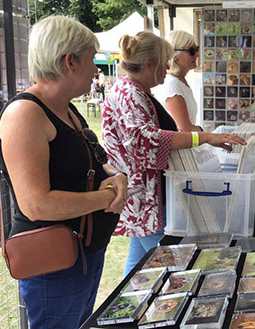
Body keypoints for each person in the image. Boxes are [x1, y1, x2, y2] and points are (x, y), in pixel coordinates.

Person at [0, 15, 128, 328]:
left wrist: (115, 176)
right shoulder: (25, 115)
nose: (97, 69)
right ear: (70, 61)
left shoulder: (65, 108)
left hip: (83, 253)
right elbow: (36, 204)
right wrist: (106, 197)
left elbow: (92, 162)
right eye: (92, 59)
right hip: (54, 263)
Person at [102, 31, 246, 276]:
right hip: (144, 196)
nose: (167, 67)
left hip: (144, 197)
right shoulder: (130, 94)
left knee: (138, 260)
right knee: (169, 267)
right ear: (148, 65)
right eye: (163, 62)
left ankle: (131, 304)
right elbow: (146, 141)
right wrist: (206, 137)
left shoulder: (135, 91)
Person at [152, 30, 202, 132]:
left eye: (197, 49)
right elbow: (185, 129)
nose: (197, 55)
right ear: (175, 56)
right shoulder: (172, 84)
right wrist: (206, 134)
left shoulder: (180, 81)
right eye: (192, 51)